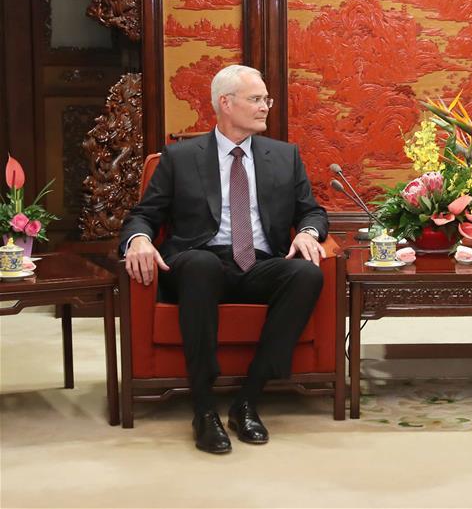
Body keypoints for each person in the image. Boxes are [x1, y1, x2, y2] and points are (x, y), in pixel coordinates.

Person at [120, 64, 328, 454]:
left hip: (259, 262)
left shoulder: (284, 156)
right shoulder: (180, 157)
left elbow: (312, 211)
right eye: (256, 99)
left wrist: (308, 232)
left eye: (267, 99)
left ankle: (247, 399)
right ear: (225, 103)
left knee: (305, 275)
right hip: (200, 261)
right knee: (199, 265)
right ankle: (203, 407)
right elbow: (144, 215)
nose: (266, 106)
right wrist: (138, 240)